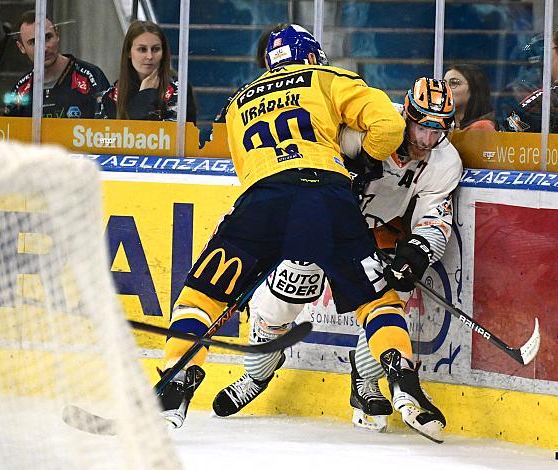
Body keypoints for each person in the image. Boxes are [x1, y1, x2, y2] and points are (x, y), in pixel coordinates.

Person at [159, 24, 447, 443]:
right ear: (312, 55)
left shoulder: (239, 101)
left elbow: (247, 172)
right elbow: (387, 124)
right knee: (376, 299)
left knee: (202, 296)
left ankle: (180, 372)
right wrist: (363, 160)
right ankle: (401, 373)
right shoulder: (327, 78)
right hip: (329, 199)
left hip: (265, 202)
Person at [212, 77, 461, 435]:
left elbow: (434, 218)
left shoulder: (445, 161)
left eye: (436, 130)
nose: (425, 140)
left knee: (390, 294)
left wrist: (418, 251)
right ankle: (258, 373)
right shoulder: (369, 123)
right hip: (321, 219)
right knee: (292, 283)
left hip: (374, 233)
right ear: (405, 114)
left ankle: (365, 381)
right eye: (421, 126)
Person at [4, 10, 110, 118]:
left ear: (57, 34)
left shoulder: (91, 77)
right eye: (33, 42)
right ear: (21, 47)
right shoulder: (20, 90)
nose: (44, 48)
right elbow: (7, 131)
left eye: (48, 37)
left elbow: (111, 128)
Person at [95, 20, 196, 122]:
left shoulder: (179, 90)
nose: (149, 56)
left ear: (163, 53)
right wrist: (144, 97)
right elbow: (104, 136)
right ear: (128, 53)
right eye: (142, 49)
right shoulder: (110, 96)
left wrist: (146, 96)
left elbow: (170, 135)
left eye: (155, 49)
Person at [443, 63, 496, 131]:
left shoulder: (482, 127)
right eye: (444, 83)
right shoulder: (442, 125)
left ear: (474, 88)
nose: (445, 88)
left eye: (454, 83)